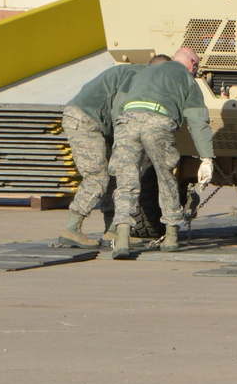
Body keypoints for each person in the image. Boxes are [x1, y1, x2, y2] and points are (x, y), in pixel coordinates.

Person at [107, 48, 214, 258]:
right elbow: (198, 121)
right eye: (197, 67)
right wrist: (206, 158)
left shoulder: (145, 71)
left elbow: (119, 104)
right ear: (192, 64)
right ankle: (172, 236)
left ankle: (121, 239)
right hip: (157, 123)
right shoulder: (187, 78)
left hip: (127, 122)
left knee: (126, 182)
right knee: (165, 178)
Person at [56, 54, 171, 249]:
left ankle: (113, 230)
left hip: (98, 123)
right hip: (85, 120)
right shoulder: (136, 76)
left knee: (113, 175)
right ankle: (72, 228)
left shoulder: (139, 74)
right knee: (97, 176)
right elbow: (121, 109)